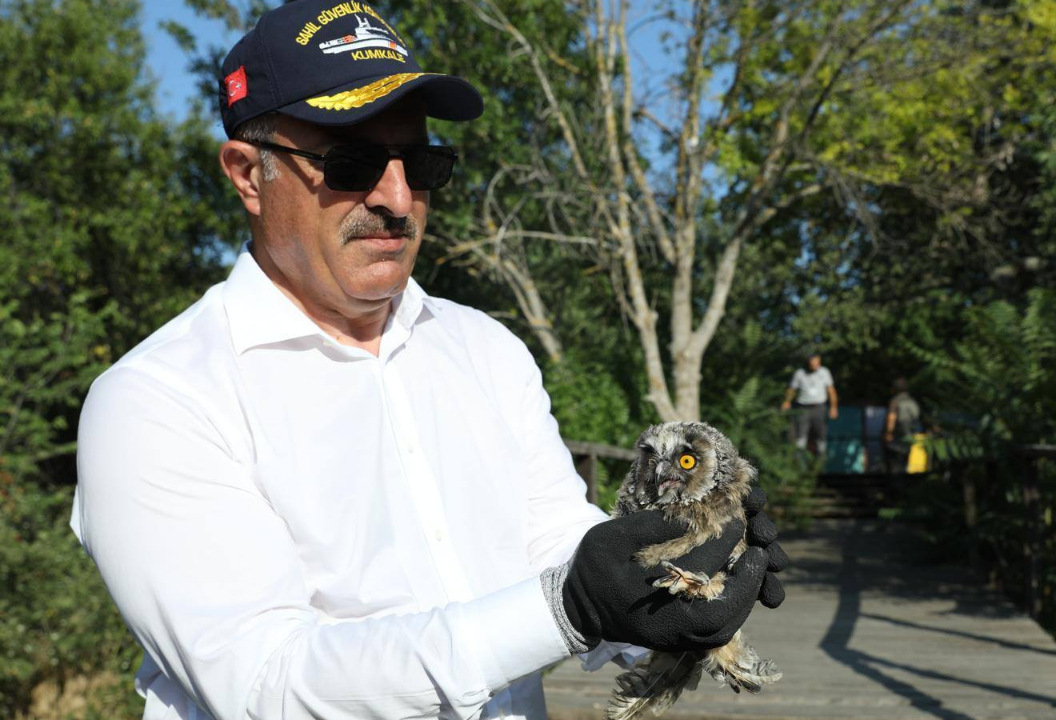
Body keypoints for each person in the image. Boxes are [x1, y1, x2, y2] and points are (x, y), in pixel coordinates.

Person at [69, 3, 787, 719]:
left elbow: (555, 542)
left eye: (419, 161)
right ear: (248, 175)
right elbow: (262, 681)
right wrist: (567, 607)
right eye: (349, 161)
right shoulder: (158, 399)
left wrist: (677, 578)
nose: (396, 197)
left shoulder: (486, 349)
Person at [780, 353, 838, 457]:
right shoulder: (799, 373)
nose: (816, 365)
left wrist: (833, 407)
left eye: (818, 363)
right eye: (814, 363)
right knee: (800, 435)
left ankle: (820, 458)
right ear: (808, 363)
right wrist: (786, 401)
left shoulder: (824, 372)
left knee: (821, 434)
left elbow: (831, 390)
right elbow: (791, 389)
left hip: (819, 407)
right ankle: (798, 459)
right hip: (803, 408)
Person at [883, 377, 922, 474]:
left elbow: (891, 417)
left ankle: (895, 485)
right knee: (905, 463)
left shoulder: (895, 401)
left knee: (894, 464)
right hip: (909, 437)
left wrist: (888, 433)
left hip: (896, 437)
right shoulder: (912, 402)